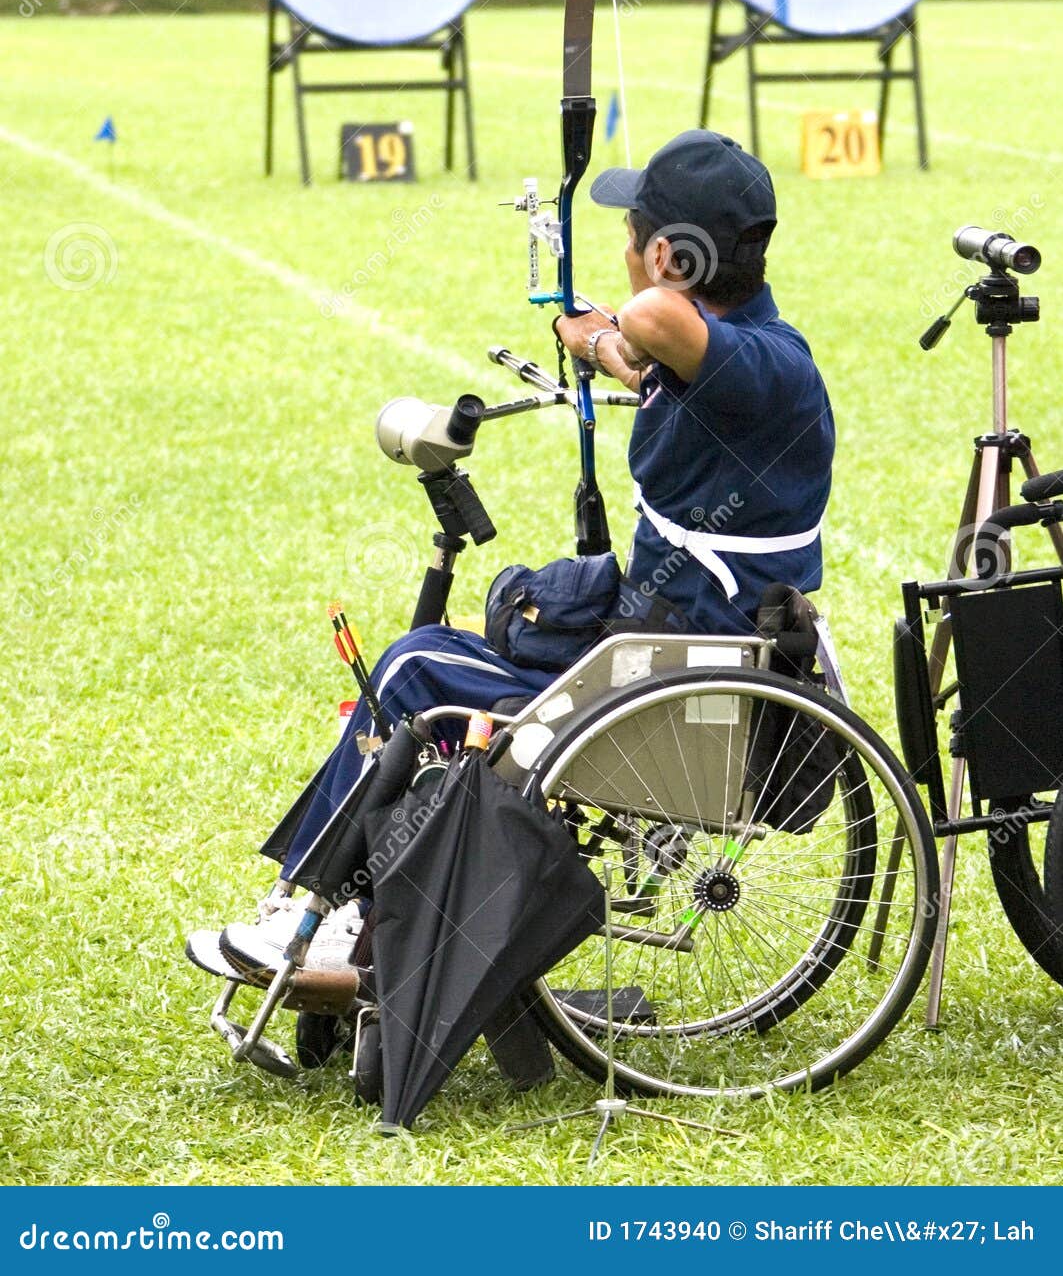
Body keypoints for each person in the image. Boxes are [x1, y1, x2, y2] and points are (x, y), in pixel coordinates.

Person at [186, 130, 834, 988]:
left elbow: (652, 322)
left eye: (633, 237)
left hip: (672, 677)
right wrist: (597, 342)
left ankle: (325, 918)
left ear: (670, 257)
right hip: (651, 634)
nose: (624, 251)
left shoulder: (761, 366)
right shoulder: (730, 350)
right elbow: (652, 345)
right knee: (494, 617)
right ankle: (351, 902)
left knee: (417, 668)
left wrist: (623, 331)